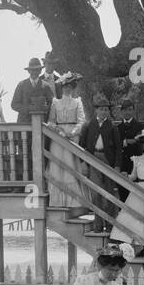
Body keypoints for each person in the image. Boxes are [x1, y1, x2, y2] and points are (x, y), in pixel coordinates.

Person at [110, 129, 144, 251]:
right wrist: (127, 176)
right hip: (139, 188)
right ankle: (133, 244)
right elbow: (133, 176)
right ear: (142, 146)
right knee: (134, 214)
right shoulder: (137, 159)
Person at [77, 96, 122, 233]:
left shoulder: (112, 126)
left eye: (106, 110)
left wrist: (117, 166)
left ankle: (109, 224)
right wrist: (83, 162)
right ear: (96, 110)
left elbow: (118, 148)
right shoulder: (89, 125)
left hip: (108, 160)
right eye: (101, 110)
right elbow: (82, 145)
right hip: (93, 159)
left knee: (109, 193)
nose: (103, 112)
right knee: (96, 192)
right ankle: (98, 223)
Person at [46, 72, 85, 211]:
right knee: (58, 165)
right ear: (61, 88)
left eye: (69, 86)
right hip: (58, 136)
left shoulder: (77, 102)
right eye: (64, 86)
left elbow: (81, 121)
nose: (67, 89)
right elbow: (50, 121)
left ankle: (73, 200)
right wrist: (57, 129)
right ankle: (57, 200)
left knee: (70, 165)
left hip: (71, 136)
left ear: (73, 87)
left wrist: (73, 132)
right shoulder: (55, 102)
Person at [10, 56, 53, 123]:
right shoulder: (21, 85)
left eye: (37, 70)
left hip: (41, 124)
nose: (35, 72)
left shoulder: (46, 86)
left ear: (40, 71)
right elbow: (14, 105)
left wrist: (42, 109)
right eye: (32, 70)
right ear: (29, 71)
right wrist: (29, 108)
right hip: (24, 124)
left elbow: (52, 104)